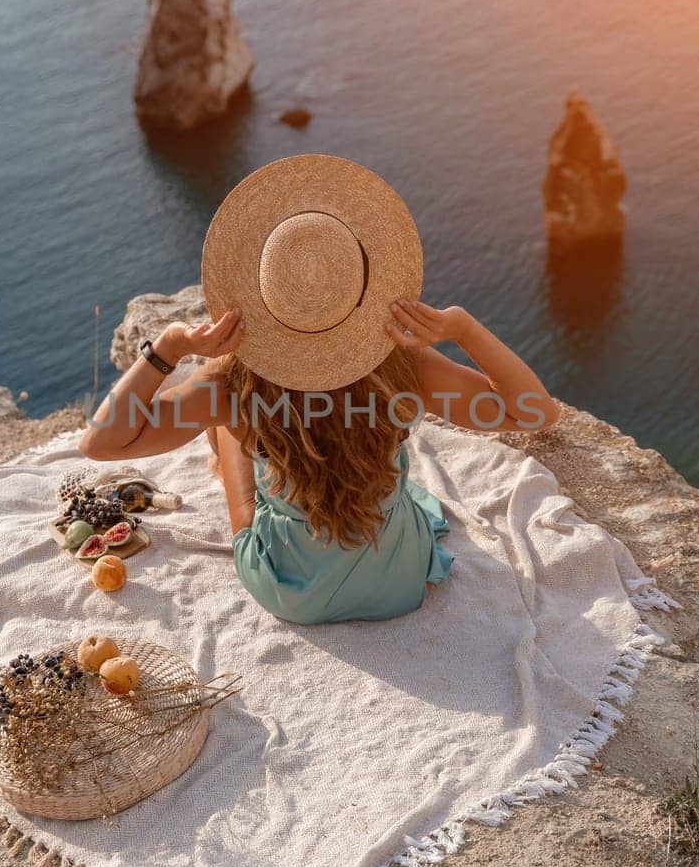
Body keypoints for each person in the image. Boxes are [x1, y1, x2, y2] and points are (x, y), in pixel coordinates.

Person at [80, 155, 559, 625]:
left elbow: (101, 444)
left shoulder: (229, 384)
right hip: (400, 580)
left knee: (229, 427)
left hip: (293, 592)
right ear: (364, 283)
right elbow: (535, 413)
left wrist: (168, 347)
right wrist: (462, 328)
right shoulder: (402, 368)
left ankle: (254, 479)